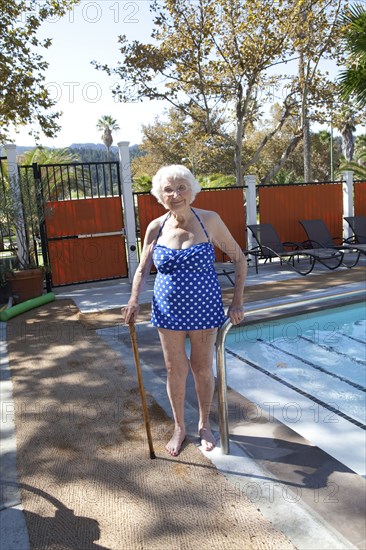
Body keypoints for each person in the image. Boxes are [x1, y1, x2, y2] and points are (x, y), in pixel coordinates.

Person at [122, 165, 247, 456]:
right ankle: (180, 427)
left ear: (191, 191)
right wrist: (133, 299)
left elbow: (239, 259)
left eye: (181, 188)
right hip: (168, 311)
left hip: (204, 310)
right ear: (159, 195)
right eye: (168, 189)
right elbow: (142, 269)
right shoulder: (156, 227)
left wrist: (237, 301)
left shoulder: (210, 221)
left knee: (202, 369)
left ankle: (204, 424)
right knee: (173, 369)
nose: (175, 194)